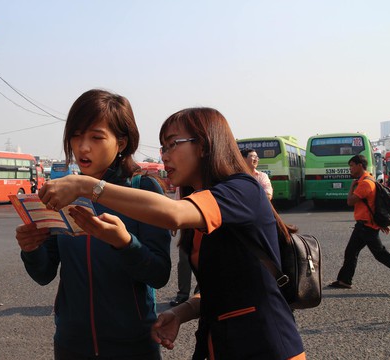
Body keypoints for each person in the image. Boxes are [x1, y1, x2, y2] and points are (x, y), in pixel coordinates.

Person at [39, 107, 306, 359]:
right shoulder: (201, 203)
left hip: (267, 346)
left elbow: (172, 215)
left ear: (203, 145)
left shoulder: (242, 189)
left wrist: (88, 186)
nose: (164, 155)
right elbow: (220, 287)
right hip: (221, 346)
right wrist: (181, 312)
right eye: (163, 147)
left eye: (172, 144)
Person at [15, 89, 171, 359]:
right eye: (76, 136)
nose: (82, 147)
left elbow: (159, 273)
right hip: (71, 343)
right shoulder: (63, 193)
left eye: (96, 137)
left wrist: (124, 244)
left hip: (132, 345)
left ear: (121, 143)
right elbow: (44, 274)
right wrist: (31, 249)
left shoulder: (143, 189)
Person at [329, 155, 390, 289]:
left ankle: (345, 280)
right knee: (350, 252)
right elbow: (374, 205)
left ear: (360, 165)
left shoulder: (365, 183)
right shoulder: (369, 179)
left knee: (382, 255)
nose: (350, 169)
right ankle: (344, 280)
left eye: (351, 166)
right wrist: (381, 224)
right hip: (363, 226)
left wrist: (352, 186)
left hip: (366, 227)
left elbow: (350, 201)